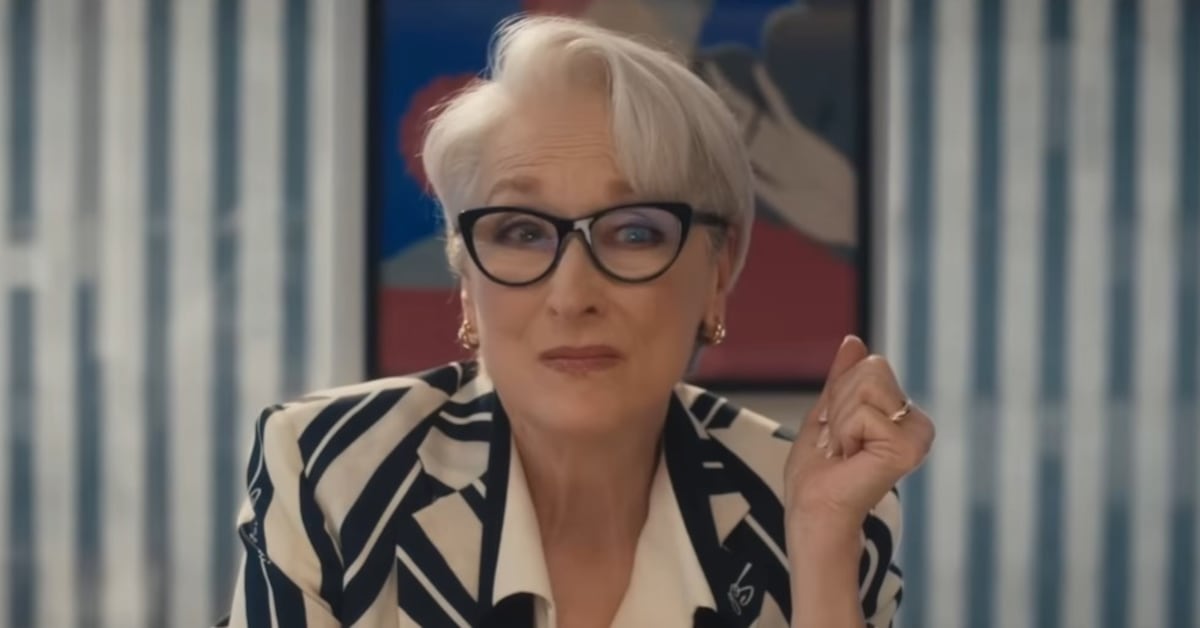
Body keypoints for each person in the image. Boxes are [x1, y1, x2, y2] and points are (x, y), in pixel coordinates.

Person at [217, 14, 934, 628]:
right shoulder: (331, 471)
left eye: (634, 232)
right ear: (467, 283)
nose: (572, 295)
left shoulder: (818, 506)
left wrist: (820, 542)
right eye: (522, 232)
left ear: (716, 276)